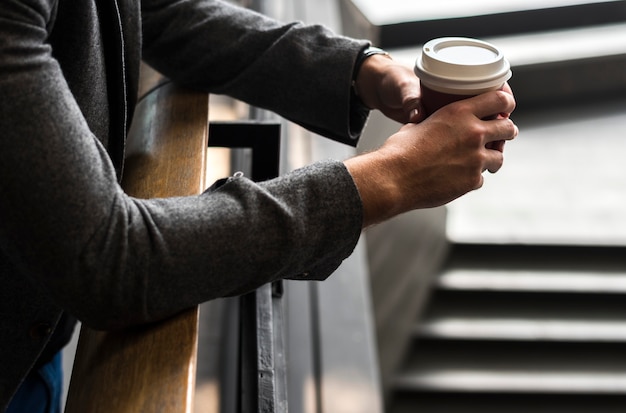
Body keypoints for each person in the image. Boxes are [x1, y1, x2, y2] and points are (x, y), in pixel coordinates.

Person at [0, 0, 518, 411]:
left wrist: (364, 71)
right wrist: (385, 181)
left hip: (37, 343)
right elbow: (109, 258)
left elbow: (153, 11)